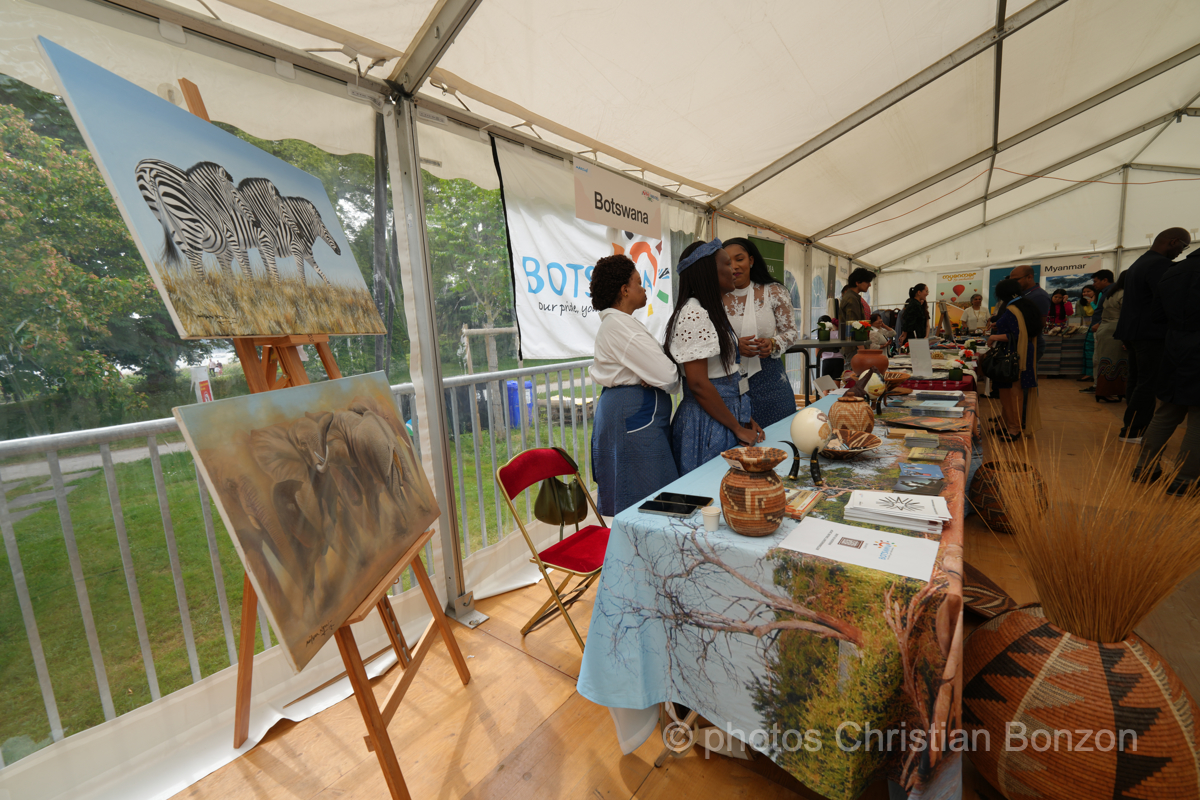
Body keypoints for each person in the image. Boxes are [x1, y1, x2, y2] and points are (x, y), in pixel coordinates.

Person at [588, 254, 681, 516]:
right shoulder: (619, 326)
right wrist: (655, 373)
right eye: (638, 283)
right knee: (645, 500)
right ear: (624, 289)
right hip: (634, 419)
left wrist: (653, 372)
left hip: (633, 413)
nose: (644, 288)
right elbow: (669, 376)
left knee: (642, 496)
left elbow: (659, 372)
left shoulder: (622, 324)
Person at [665, 239, 764, 475]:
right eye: (727, 263)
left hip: (721, 417)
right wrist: (736, 428)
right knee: (709, 497)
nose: (733, 270)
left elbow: (725, 371)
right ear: (709, 270)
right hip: (707, 423)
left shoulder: (709, 310)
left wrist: (743, 418)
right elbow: (698, 384)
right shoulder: (693, 313)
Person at [1114, 227, 1192, 443]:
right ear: (1173, 241)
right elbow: (1166, 299)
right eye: (1183, 246)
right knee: (1148, 383)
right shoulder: (1160, 265)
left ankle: (1130, 427)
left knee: (1138, 380)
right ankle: (1134, 430)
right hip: (1150, 332)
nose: (1182, 252)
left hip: (1134, 331)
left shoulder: (1141, 261)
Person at [1133, 247, 1200, 495]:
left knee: (1167, 410)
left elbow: (1157, 315)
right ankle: (1186, 479)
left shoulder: (1174, 270)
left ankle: (1144, 468)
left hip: (1174, 347)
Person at [722, 237, 800, 428]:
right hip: (729, 383)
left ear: (751, 260)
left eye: (739, 259)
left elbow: (790, 332)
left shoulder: (774, 291)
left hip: (770, 380)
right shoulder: (714, 297)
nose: (734, 266)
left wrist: (773, 343)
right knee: (741, 446)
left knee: (780, 436)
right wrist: (733, 345)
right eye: (727, 261)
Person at [986, 279, 1042, 440]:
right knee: (1009, 391)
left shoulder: (1012, 309)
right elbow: (1023, 329)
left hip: (1013, 355)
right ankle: (1005, 423)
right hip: (1023, 352)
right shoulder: (1026, 305)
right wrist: (999, 325)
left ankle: (1014, 428)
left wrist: (994, 337)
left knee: (1011, 392)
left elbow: (1017, 335)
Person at [1090, 269, 1130, 403]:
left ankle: (1113, 391)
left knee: (1109, 361)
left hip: (1106, 330)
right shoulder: (1123, 294)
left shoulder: (1111, 293)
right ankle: (1105, 392)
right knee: (1113, 362)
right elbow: (1126, 315)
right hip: (1115, 330)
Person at [1008, 265, 1049, 358]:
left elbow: (1039, 325)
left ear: (1029, 277)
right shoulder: (1022, 294)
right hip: (1020, 342)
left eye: (1016, 280)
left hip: (1030, 344)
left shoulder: (1039, 296)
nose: (1013, 284)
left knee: (1028, 371)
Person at [838, 267, 875, 364]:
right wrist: (862, 351)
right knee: (855, 377)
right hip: (854, 349)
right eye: (867, 282)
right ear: (857, 282)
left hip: (854, 348)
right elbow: (853, 326)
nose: (870, 285)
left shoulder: (853, 297)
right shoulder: (852, 299)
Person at [1075, 285, 1099, 383]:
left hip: (1097, 326)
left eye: (1088, 291)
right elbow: (1078, 316)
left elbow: (1098, 312)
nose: (1085, 294)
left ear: (1094, 292)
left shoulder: (1098, 301)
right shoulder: (1079, 302)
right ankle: (1087, 373)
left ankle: (1092, 374)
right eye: (1084, 292)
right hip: (1085, 327)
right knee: (1087, 349)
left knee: (1093, 350)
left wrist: (1092, 303)